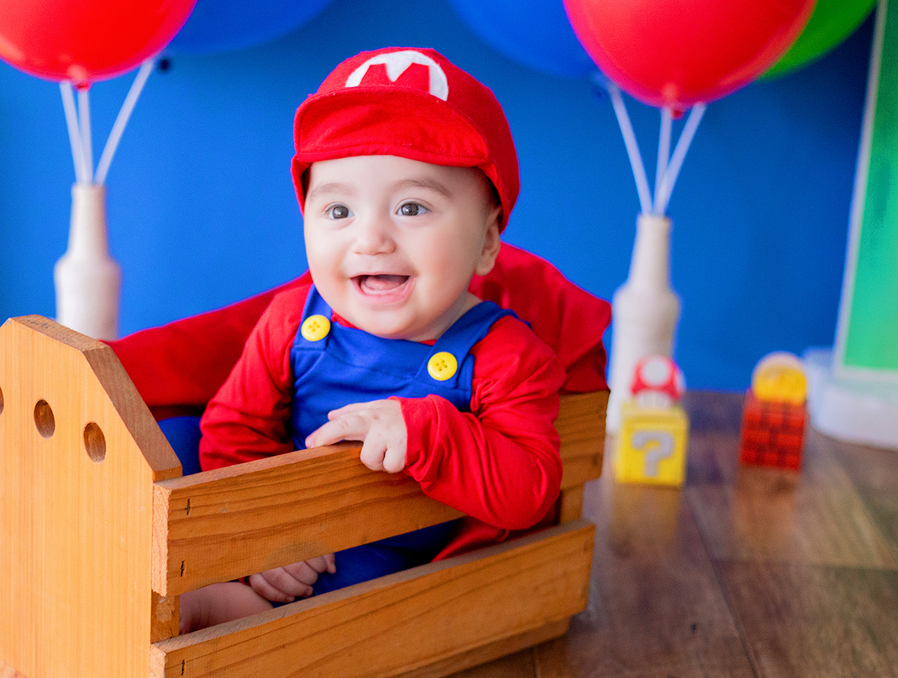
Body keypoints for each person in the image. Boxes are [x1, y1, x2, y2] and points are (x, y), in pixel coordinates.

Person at [174, 47, 589, 633]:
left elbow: (530, 487)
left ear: (489, 239)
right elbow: (232, 432)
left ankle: (214, 616)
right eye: (338, 209)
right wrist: (268, 540)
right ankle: (207, 607)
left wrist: (426, 429)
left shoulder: (504, 355)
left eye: (411, 207)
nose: (370, 237)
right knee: (177, 465)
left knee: (318, 620)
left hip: (399, 581)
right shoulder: (294, 320)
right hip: (289, 549)